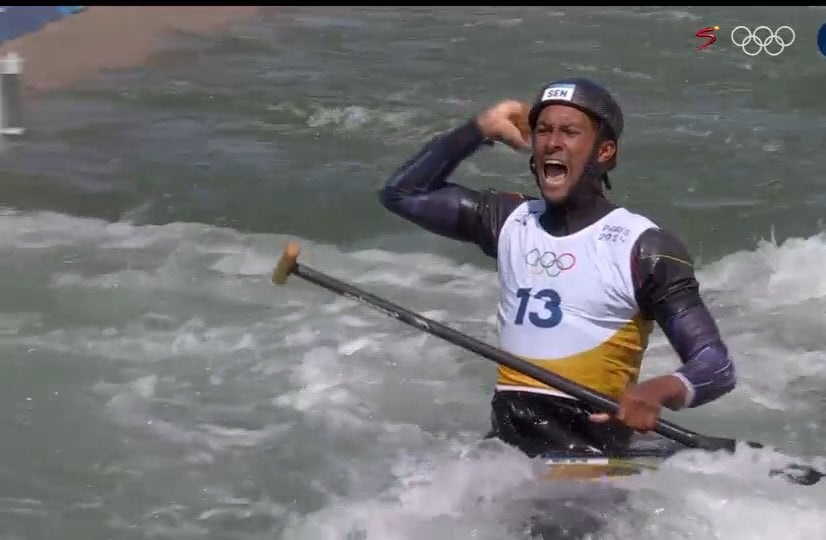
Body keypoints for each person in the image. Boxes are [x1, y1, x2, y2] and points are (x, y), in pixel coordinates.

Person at [377, 77, 737, 458]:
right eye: (544, 130)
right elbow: (403, 193)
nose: (552, 142)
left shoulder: (644, 248)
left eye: (570, 132)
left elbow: (715, 365)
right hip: (507, 449)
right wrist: (481, 129)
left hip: (590, 449)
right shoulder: (508, 221)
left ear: (605, 152)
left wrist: (658, 390)